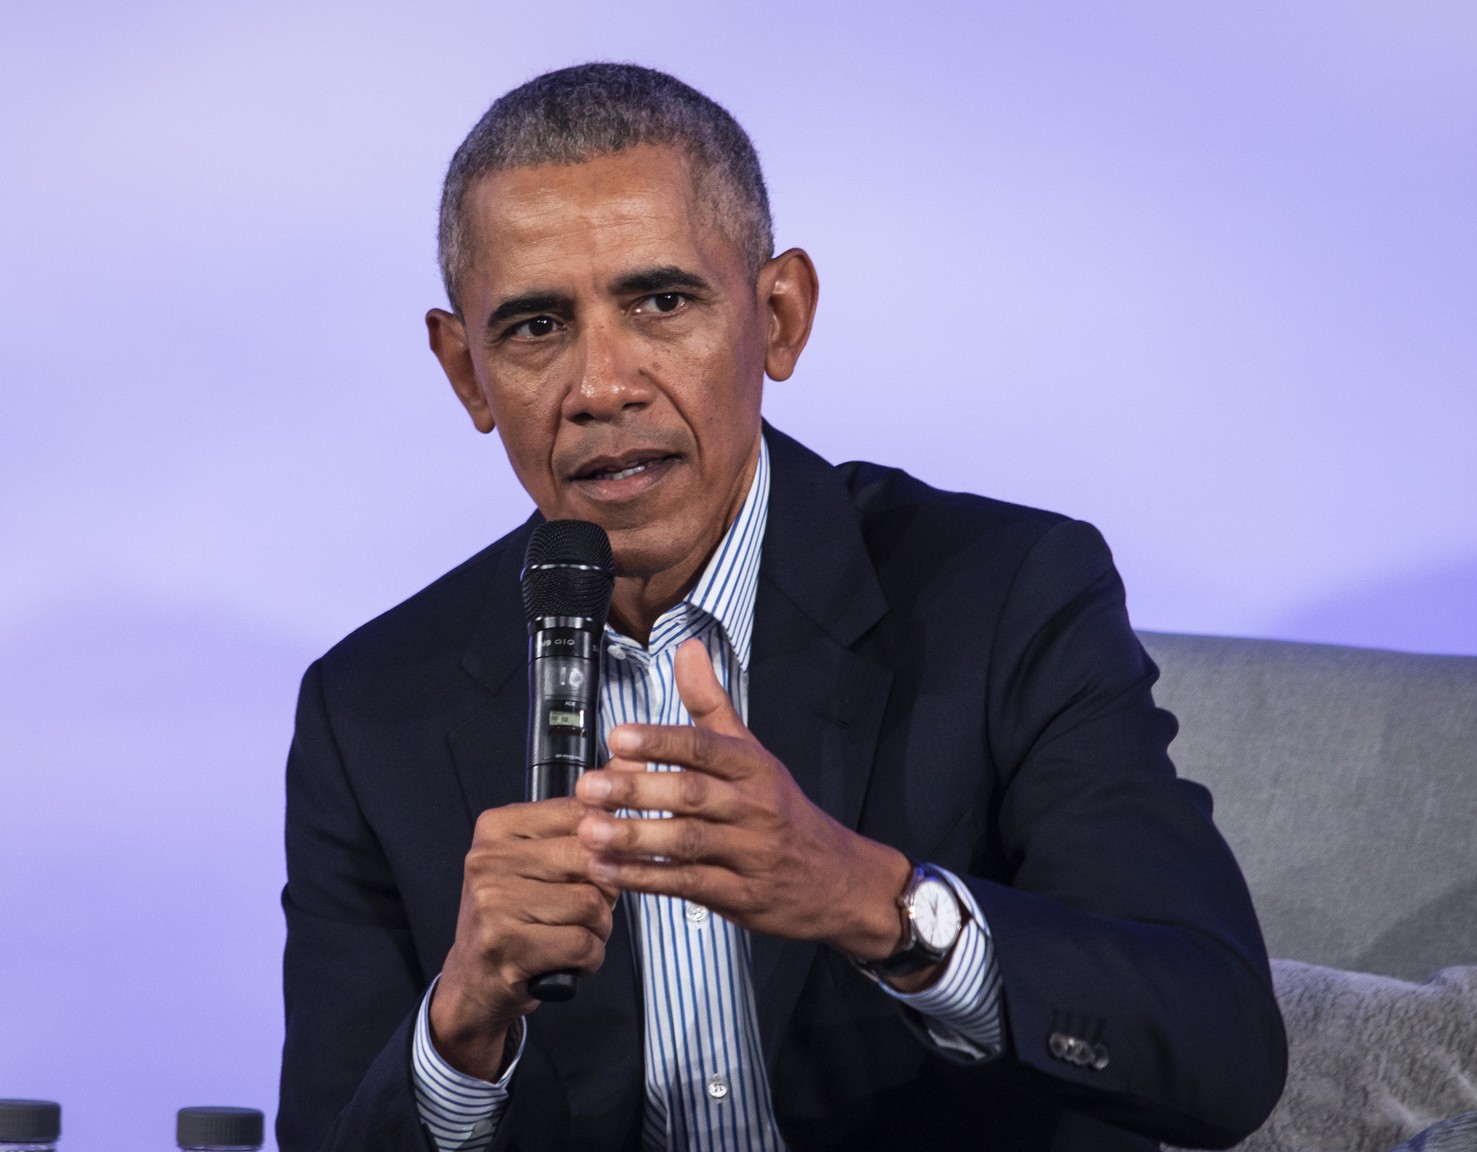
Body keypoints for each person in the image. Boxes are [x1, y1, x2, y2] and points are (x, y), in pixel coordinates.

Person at [277, 63, 1286, 1152]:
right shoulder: (371, 710)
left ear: (779, 316)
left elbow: (1219, 1046)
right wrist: (459, 1029)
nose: (602, 385)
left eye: (661, 303)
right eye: (534, 328)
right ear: (466, 371)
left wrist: (872, 899)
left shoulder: (1004, 597)